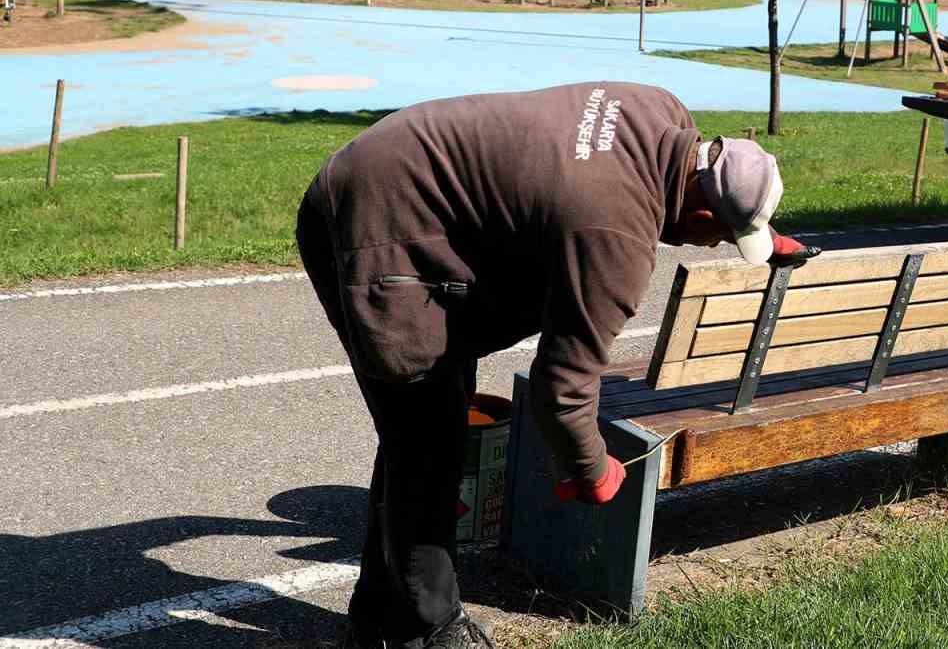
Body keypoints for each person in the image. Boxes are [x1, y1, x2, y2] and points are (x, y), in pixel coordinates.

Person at [296, 83, 816, 648]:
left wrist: (763, 231)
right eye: (721, 232)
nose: (713, 245)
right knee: (425, 446)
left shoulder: (662, 115)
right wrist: (592, 470)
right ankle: (431, 629)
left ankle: (377, 621)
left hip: (396, 174)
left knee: (418, 432)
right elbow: (562, 389)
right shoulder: (614, 232)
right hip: (376, 226)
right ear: (698, 206)